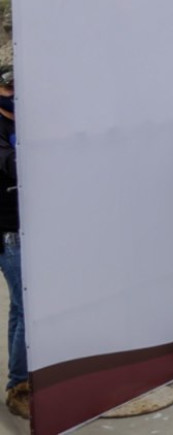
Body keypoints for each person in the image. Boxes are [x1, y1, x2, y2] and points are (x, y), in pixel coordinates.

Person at [0, 68, 26, 419]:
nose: (14, 93)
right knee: (25, 308)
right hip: (9, 233)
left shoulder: (30, 123)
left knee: (22, 307)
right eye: (8, 86)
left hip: (27, 229)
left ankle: (21, 380)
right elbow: (12, 165)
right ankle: (19, 387)